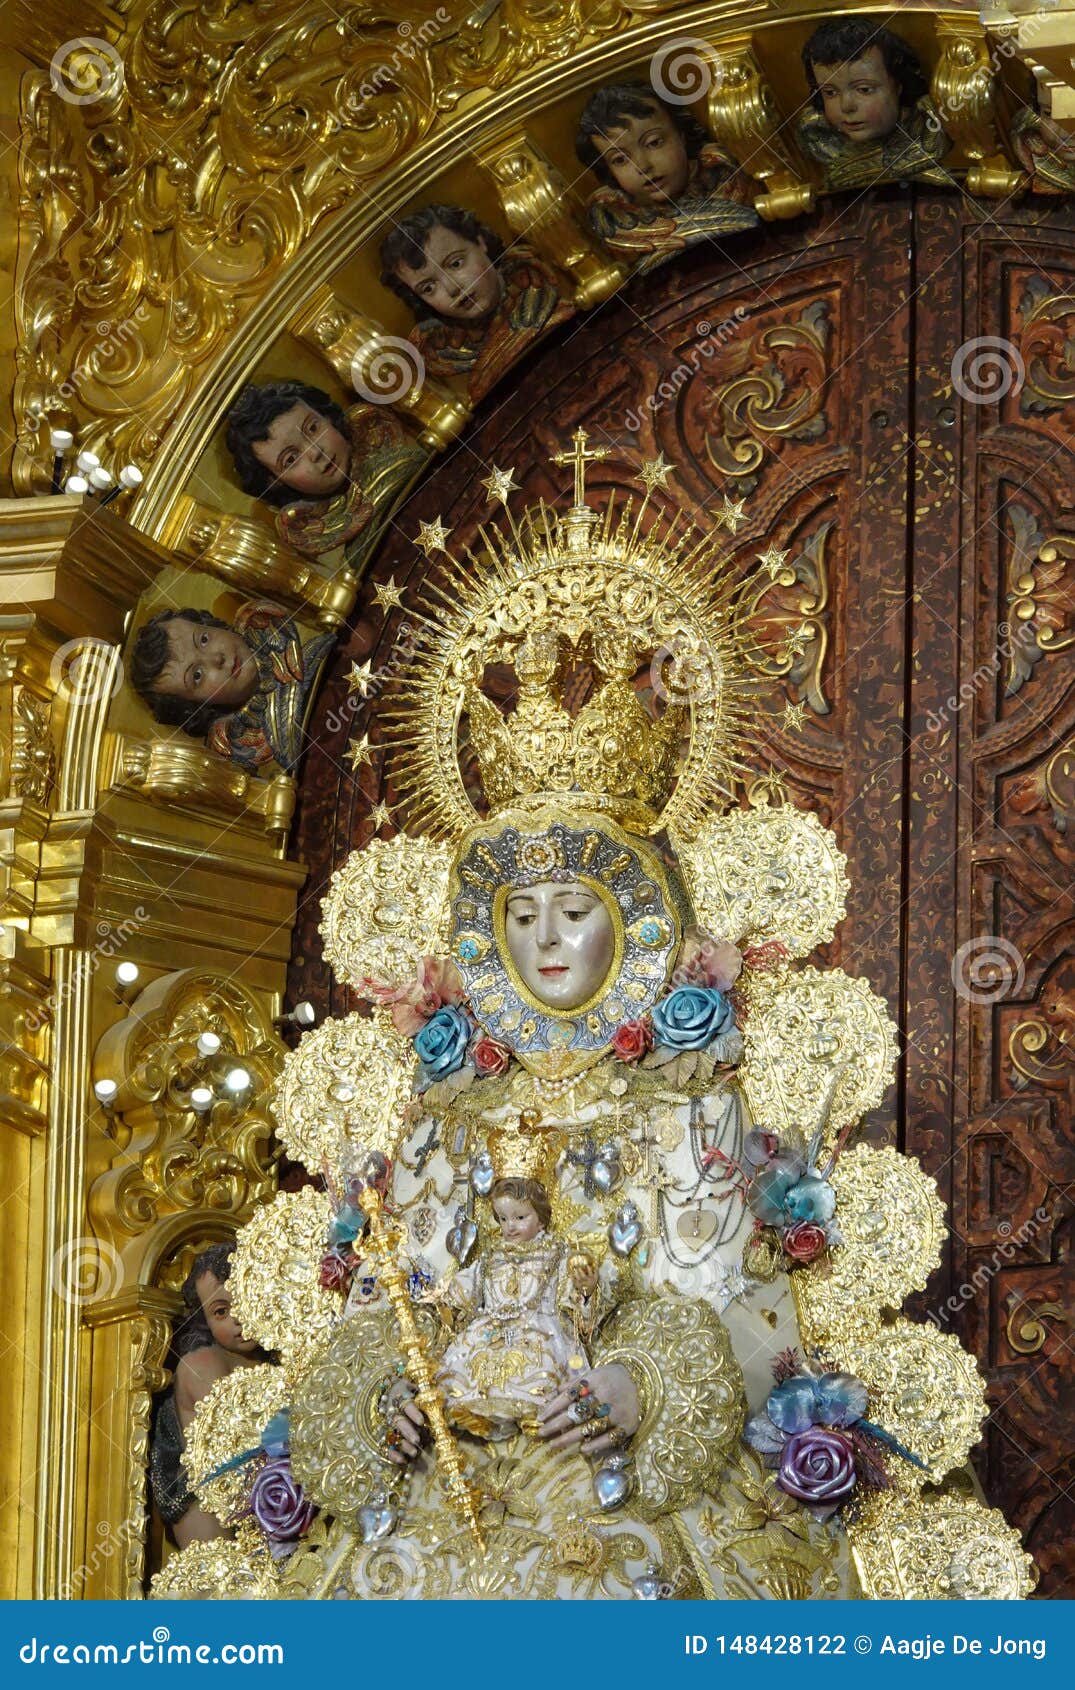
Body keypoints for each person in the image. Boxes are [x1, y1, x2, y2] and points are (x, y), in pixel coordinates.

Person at [418, 1169, 607, 1440]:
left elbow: (571, 1298)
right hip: (490, 1327)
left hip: (539, 1326)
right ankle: (479, 1416)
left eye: (520, 1217)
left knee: (537, 1369)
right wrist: (444, 1292)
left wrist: (585, 1287)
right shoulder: (492, 1255)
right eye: (503, 1218)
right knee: (466, 1366)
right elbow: (469, 1284)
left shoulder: (556, 1252)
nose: (510, 1226)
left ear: (541, 1220)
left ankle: (538, 1415)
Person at [379, 205, 574, 403]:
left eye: (455, 264)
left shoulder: (544, 280)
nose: (452, 287)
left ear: (480, 242)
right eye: (428, 288)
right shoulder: (441, 356)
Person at [129, 600, 334, 774]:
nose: (216, 658)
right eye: (197, 675)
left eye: (204, 639)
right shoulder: (239, 747)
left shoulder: (268, 622)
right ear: (196, 707)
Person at [224, 380, 424, 557]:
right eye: (291, 458)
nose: (315, 452)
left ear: (328, 417)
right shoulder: (351, 542)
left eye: (313, 428)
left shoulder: (408, 465)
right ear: (275, 482)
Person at [576, 82, 759, 273]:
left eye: (654, 143)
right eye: (620, 159)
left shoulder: (725, 171)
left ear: (682, 135)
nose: (643, 166)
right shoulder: (614, 218)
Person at [149, 1243, 263, 1549]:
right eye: (221, 1312)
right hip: (204, 1496)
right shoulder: (202, 1364)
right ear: (204, 1320)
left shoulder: (272, 1356)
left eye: (246, 1298)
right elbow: (238, 1434)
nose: (238, 1319)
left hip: (264, 1488)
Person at [796, 15, 950, 191]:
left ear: (898, 84)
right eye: (830, 92)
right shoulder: (819, 140)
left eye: (864, 90)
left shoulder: (930, 127)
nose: (846, 106)